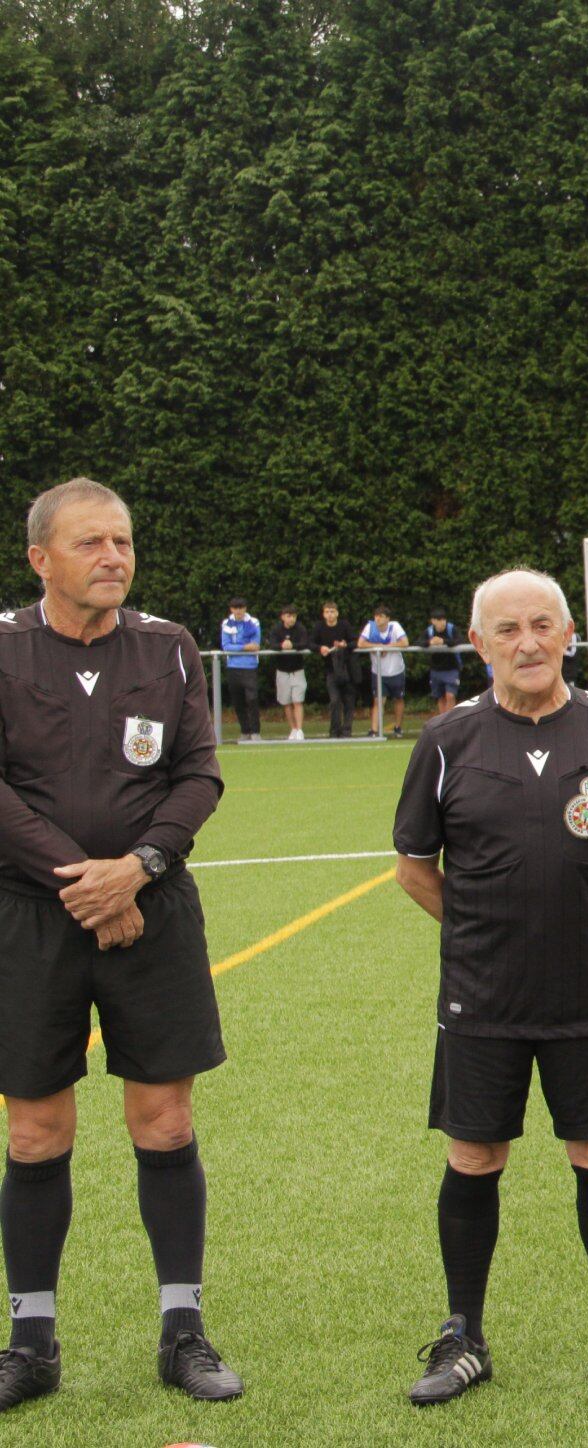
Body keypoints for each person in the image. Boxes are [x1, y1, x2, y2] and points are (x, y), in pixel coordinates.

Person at [392, 568, 588, 1405]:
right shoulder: (445, 740)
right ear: (479, 645)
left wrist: (578, 923)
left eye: (543, 625)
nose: (528, 642)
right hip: (483, 998)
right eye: (507, 629)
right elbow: (413, 865)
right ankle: (463, 1335)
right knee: (475, 1156)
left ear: (569, 634)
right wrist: (483, 931)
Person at [0, 477, 242, 1412]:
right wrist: (89, 886)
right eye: (92, 543)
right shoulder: (6, 647)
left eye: (124, 542)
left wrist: (137, 870)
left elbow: (198, 776)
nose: (113, 557)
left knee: (166, 1124)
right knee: (35, 1131)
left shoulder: (168, 647)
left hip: (154, 909)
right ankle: (31, 1341)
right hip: (31, 918)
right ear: (40, 558)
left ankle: (182, 1331)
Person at [217, 595, 262, 742]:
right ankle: (245, 731)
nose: (238, 611)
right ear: (231, 609)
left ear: (245, 608)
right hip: (233, 667)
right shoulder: (227, 623)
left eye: (241, 608)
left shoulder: (253, 622)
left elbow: (255, 645)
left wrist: (243, 648)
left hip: (250, 666)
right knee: (238, 701)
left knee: (252, 699)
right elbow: (226, 646)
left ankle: (255, 732)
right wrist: (244, 647)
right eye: (235, 608)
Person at [361, 603, 410, 738]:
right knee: (378, 700)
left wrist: (387, 647)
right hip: (378, 672)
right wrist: (378, 646)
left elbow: (404, 642)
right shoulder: (370, 627)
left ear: (387, 618)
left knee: (398, 699)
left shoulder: (394, 626)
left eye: (381, 616)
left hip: (396, 671)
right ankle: (374, 730)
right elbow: (361, 643)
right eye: (376, 616)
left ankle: (398, 727)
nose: (378, 619)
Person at [266, 605, 311, 741]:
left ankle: (300, 730)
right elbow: (271, 644)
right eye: (288, 616)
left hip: (297, 671)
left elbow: (304, 643)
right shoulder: (276, 629)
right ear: (283, 617)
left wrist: (293, 646)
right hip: (282, 671)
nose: (291, 619)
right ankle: (293, 728)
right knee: (286, 702)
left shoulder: (300, 628)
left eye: (293, 616)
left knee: (298, 701)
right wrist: (281, 646)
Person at [316, 601, 358, 738]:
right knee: (334, 700)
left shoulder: (344, 625)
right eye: (327, 612)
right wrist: (320, 648)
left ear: (337, 613)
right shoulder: (319, 627)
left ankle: (347, 730)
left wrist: (344, 645)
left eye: (332, 611)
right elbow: (311, 642)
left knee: (349, 701)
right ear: (323, 614)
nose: (330, 615)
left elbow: (355, 641)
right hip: (331, 671)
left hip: (347, 669)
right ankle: (334, 731)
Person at [423, 606, 462, 714]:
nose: (441, 623)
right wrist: (429, 643)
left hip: (451, 668)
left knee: (450, 695)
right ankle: (443, 722)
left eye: (443, 620)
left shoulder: (451, 629)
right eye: (438, 620)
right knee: (440, 697)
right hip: (435, 670)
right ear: (433, 621)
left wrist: (443, 641)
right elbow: (419, 642)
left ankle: (450, 721)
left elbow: (459, 640)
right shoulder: (429, 631)